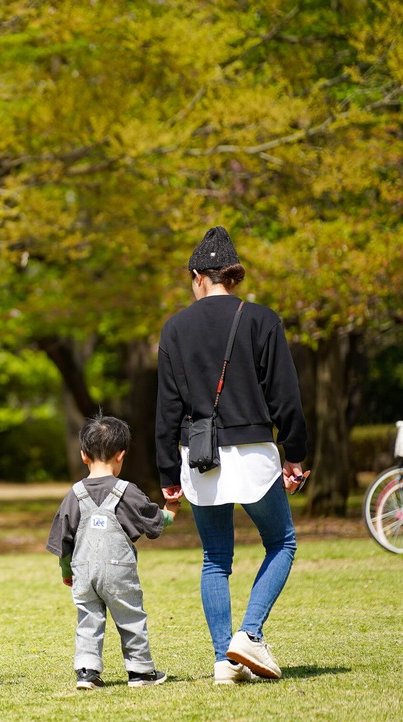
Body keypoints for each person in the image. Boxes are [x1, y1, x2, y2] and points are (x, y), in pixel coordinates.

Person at [155, 226, 309, 685]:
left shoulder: (176, 328)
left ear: (199, 275)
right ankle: (250, 634)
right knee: (281, 543)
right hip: (255, 452)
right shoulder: (262, 320)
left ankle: (225, 660)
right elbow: (286, 397)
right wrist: (296, 453)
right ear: (231, 276)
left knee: (215, 558)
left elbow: (166, 408)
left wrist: (167, 470)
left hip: (199, 457)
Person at [47, 413, 172, 690]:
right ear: (121, 455)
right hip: (118, 570)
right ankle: (140, 672)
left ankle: (87, 672)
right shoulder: (127, 491)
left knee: (88, 620)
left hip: (82, 570)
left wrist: (67, 572)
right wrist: (170, 512)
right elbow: (153, 523)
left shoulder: (74, 493)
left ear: (83, 456)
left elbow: (63, 540)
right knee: (130, 616)